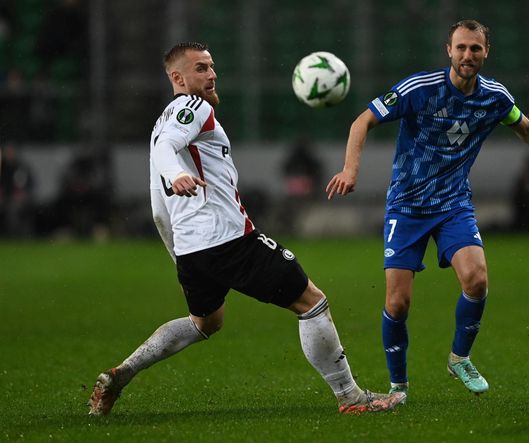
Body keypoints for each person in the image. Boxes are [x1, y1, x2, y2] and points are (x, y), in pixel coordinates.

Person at [87, 42, 405, 416]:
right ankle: (350, 398)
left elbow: (159, 205)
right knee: (312, 302)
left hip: (192, 249)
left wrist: (180, 254)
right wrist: (178, 174)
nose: (212, 75)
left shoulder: (163, 122)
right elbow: (167, 156)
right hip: (228, 239)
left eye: (211, 66)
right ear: (178, 78)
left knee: (206, 322)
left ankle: (121, 374)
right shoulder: (193, 107)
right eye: (201, 68)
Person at [326, 20, 529, 399]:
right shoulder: (418, 89)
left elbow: (527, 129)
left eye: (475, 48)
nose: (467, 55)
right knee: (397, 302)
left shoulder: (494, 97)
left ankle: (459, 358)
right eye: (461, 48)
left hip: (454, 204)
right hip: (406, 207)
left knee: (477, 279)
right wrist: (350, 169)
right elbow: (363, 120)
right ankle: (398, 387)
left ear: (486, 52)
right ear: (448, 51)